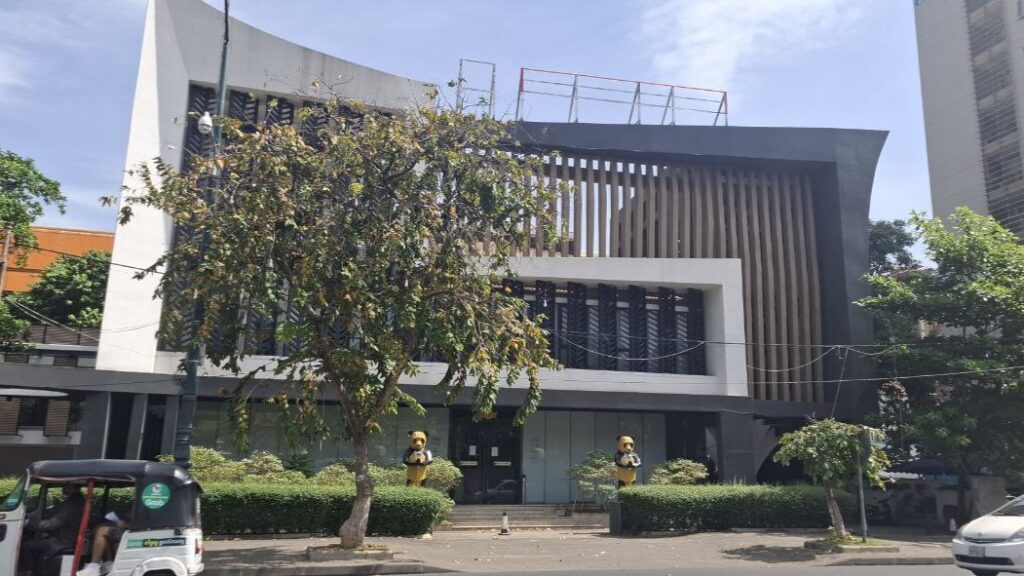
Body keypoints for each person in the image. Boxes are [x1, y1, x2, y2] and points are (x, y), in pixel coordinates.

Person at [19, 484, 86, 576]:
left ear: (73, 487)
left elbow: (53, 523)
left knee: (27, 546)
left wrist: (28, 523)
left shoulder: (72, 502)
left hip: (62, 542)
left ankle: (28, 573)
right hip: (67, 537)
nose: (63, 487)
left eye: (66, 485)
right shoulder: (79, 500)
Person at [77, 512, 130, 576]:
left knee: (102, 530)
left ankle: (93, 567)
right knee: (99, 527)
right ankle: (108, 563)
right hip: (129, 529)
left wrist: (126, 525)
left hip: (134, 532)